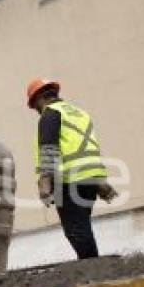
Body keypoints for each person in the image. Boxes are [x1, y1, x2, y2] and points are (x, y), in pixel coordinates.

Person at [26, 78, 117, 259]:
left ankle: (94, 270)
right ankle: (92, 267)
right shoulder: (79, 114)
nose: (36, 110)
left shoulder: (50, 114)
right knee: (82, 227)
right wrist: (100, 182)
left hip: (68, 181)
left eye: (34, 105)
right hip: (91, 179)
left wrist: (45, 184)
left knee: (77, 231)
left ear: (38, 99)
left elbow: (48, 149)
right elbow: (85, 147)